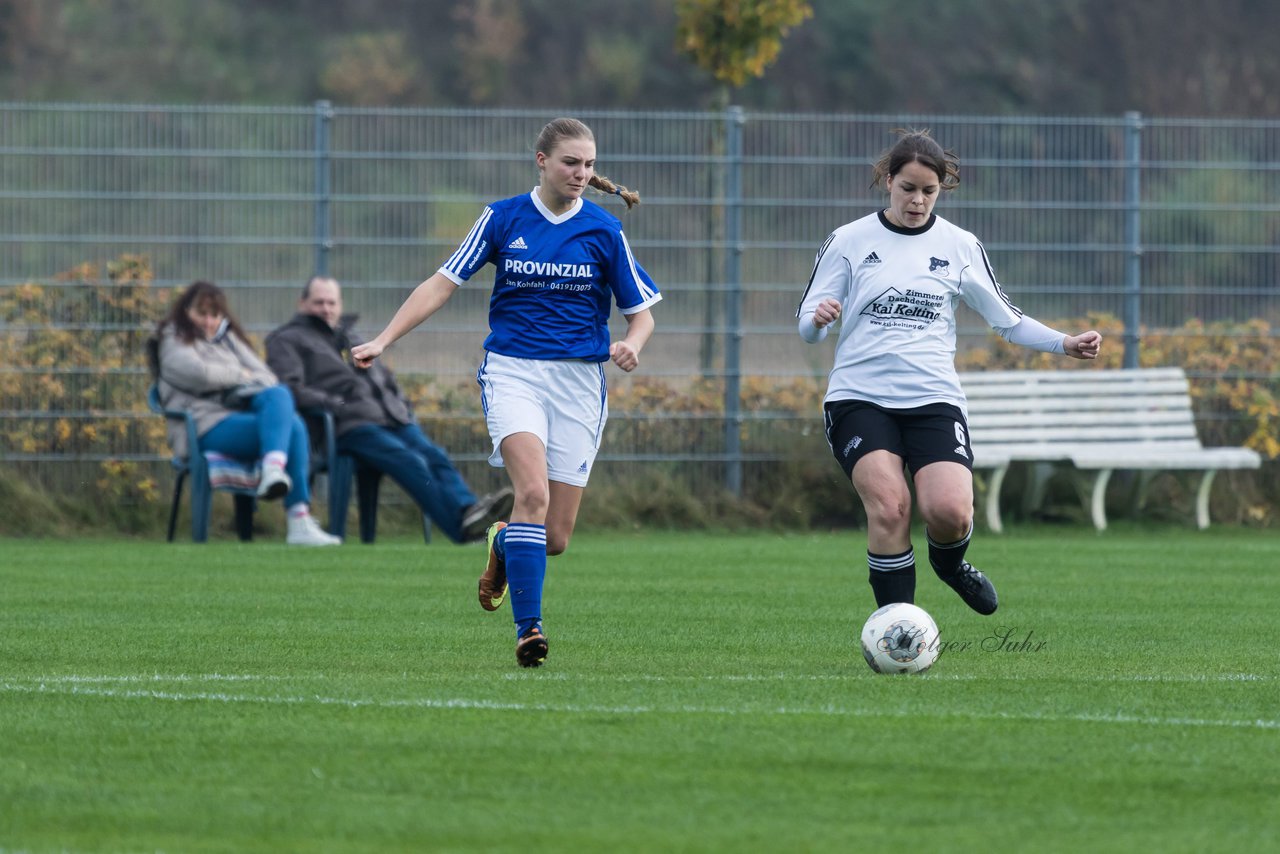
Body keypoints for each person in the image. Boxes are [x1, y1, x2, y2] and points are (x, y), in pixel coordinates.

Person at [351, 117, 661, 667]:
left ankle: (503, 541)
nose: (581, 174)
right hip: (513, 372)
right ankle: (529, 629)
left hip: (579, 383)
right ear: (540, 160)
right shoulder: (503, 217)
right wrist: (384, 338)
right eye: (571, 162)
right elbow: (442, 283)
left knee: (555, 536)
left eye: (589, 165)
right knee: (533, 496)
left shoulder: (604, 229)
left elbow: (641, 315)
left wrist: (632, 344)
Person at [796, 129, 1102, 615]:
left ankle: (950, 563)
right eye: (907, 188)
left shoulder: (960, 246)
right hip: (859, 397)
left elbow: (1007, 319)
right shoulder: (848, 241)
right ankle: (898, 631)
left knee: (950, 513)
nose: (917, 201)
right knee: (891, 506)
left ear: (943, 188)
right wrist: (817, 321)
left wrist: (1064, 343)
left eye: (928, 191)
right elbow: (806, 327)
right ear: (888, 180)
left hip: (933, 398)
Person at [265, 275, 515, 544]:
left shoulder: (349, 336)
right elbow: (290, 388)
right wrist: (336, 404)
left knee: (434, 456)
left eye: (331, 302)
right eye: (319, 302)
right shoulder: (286, 339)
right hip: (347, 426)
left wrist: (401, 405)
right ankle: (464, 531)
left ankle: (469, 511)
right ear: (302, 303)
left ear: (339, 305)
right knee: (411, 462)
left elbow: (383, 376)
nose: (326, 308)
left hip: (391, 417)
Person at [154, 280, 341, 546]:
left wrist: (246, 379)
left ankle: (291, 506)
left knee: (286, 407)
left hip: (234, 416)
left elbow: (268, 377)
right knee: (291, 422)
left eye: (214, 315)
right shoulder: (173, 337)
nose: (208, 321)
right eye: (201, 313)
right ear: (186, 312)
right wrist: (241, 376)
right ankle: (283, 490)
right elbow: (199, 373)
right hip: (202, 426)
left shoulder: (227, 339)